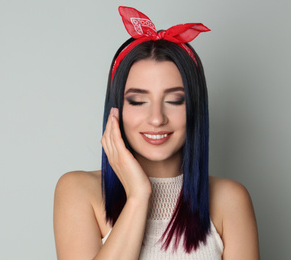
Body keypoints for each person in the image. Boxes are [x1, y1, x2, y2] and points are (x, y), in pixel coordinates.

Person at [54, 6, 259, 260]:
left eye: (174, 101)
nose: (156, 118)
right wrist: (139, 195)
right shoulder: (78, 191)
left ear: (195, 108)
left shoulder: (230, 200)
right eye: (138, 101)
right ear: (115, 108)